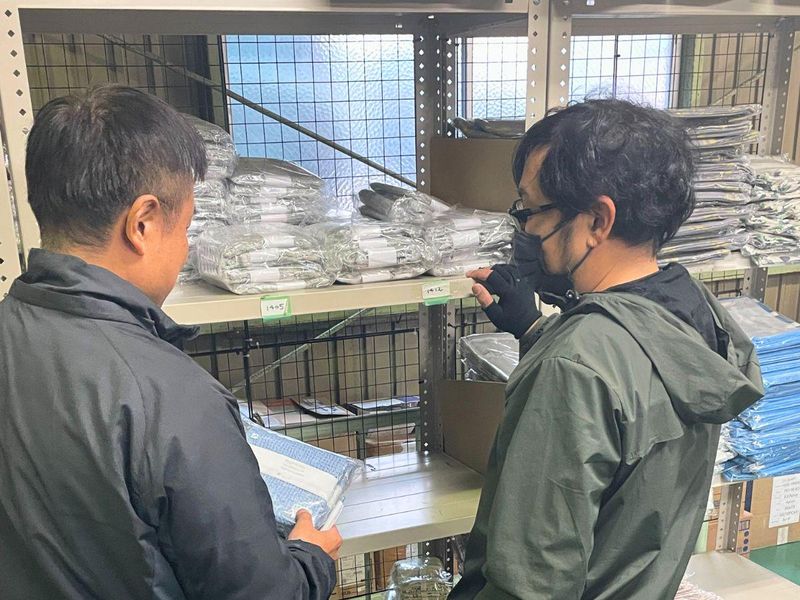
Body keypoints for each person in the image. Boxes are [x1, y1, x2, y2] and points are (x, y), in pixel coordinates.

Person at [0, 85, 341, 599]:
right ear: (142, 223)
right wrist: (311, 559)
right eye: (185, 228)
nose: (185, 250)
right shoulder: (170, 397)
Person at [449, 99, 764, 599]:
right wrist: (534, 329)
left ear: (598, 220)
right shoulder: (695, 315)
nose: (525, 229)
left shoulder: (575, 366)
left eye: (532, 211)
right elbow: (631, 411)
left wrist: (559, 353)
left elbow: (533, 582)